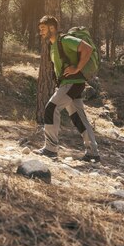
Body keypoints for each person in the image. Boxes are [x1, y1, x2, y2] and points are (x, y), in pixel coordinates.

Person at [33, 15, 100, 162]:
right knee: (79, 119)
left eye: (43, 29)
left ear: (52, 28)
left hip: (73, 82)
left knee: (51, 107)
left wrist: (77, 68)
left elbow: (87, 49)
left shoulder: (65, 39)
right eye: (40, 30)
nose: (40, 32)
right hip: (67, 84)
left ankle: (50, 149)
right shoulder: (53, 46)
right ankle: (93, 153)